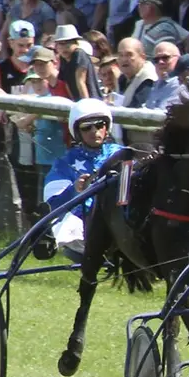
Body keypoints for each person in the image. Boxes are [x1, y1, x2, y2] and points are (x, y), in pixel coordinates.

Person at [41, 99, 124, 258]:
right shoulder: (64, 164)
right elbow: (52, 206)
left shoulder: (123, 154)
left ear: (107, 128)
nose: (94, 131)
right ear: (77, 132)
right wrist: (74, 190)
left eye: (99, 125)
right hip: (83, 226)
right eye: (87, 127)